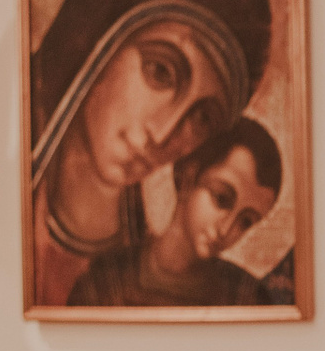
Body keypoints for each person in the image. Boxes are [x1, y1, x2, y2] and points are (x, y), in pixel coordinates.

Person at [29, 0, 272, 307]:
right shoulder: (6, 214)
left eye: (202, 118)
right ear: (98, 43)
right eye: (161, 72)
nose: (163, 135)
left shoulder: (143, 267)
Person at [68, 118, 283, 307]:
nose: (226, 229)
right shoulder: (105, 280)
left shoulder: (248, 297)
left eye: (245, 221)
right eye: (221, 199)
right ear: (188, 177)